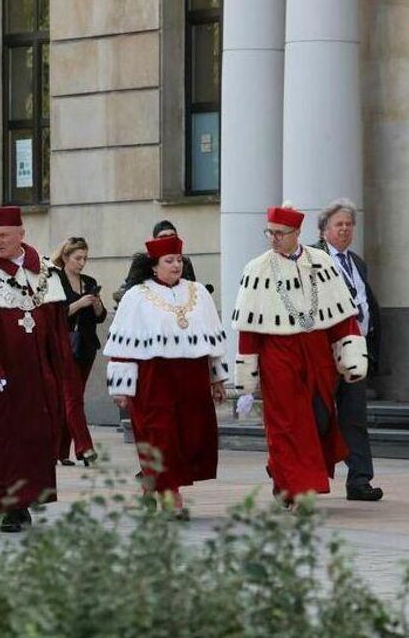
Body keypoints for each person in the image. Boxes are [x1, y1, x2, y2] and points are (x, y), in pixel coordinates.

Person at [233, 205, 366, 504]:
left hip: (317, 355)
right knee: (286, 424)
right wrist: (246, 381)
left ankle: (282, 472)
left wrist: (351, 356)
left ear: (297, 234)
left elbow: (343, 316)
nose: (274, 239)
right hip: (277, 357)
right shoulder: (257, 269)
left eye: (280, 234)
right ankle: (293, 487)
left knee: (320, 418)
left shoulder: (321, 262)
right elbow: (248, 328)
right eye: (270, 233)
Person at [0, 207, 81, 532]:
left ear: (21, 236)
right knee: (4, 442)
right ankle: (9, 505)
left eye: (4, 236)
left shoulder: (46, 274)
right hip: (3, 381)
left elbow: (57, 328)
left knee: (37, 440)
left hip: (39, 377)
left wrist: (60, 369)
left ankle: (26, 500)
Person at [105, 235, 228, 518]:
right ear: (153, 266)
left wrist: (217, 379)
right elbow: (123, 345)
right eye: (169, 261)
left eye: (179, 260)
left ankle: (153, 484)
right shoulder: (136, 296)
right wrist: (121, 387)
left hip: (192, 377)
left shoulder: (198, 292)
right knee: (160, 436)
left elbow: (213, 341)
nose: (176, 266)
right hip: (154, 378)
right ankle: (171, 494)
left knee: (188, 437)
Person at [312, 199, 383, 501]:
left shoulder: (356, 262)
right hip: (324, 351)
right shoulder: (311, 259)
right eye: (338, 224)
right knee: (319, 416)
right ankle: (302, 474)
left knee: (355, 415)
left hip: (356, 350)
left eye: (348, 224)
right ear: (324, 229)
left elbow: (367, 304)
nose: (344, 229)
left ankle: (359, 480)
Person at [52, 237, 102, 465]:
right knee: (73, 399)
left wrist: (95, 303)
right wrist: (79, 304)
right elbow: (55, 315)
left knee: (72, 399)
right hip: (64, 346)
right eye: (78, 258)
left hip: (87, 346)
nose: (82, 263)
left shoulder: (89, 281)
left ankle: (60, 452)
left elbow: (99, 317)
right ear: (65, 257)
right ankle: (86, 448)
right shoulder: (56, 280)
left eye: (85, 259)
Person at [112, 220, 201, 303]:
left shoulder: (185, 262)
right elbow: (130, 292)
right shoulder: (142, 264)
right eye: (163, 237)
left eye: (172, 236)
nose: (168, 240)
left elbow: (192, 291)